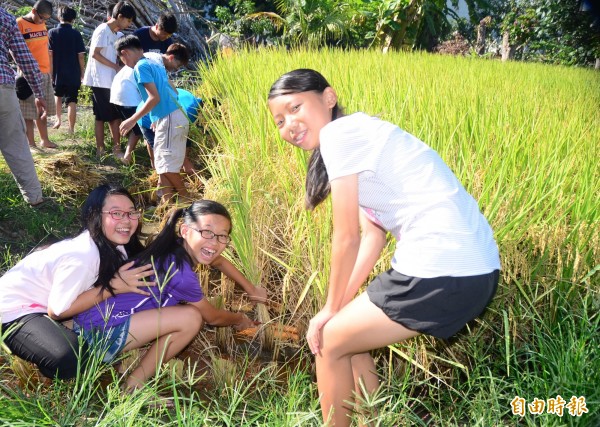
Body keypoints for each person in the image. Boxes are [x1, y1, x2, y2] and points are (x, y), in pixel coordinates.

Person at [267, 69, 501, 426]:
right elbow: (373, 235)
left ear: (328, 98)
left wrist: (328, 308)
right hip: (475, 269)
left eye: (295, 108)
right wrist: (339, 305)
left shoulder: (339, 135)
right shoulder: (359, 135)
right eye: (280, 121)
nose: (289, 126)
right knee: (346, 335)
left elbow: (346, 236)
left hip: (440, 266)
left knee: (328, 342)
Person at [74, 200, 265, 390]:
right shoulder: (180, 272)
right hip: (94, 339)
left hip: (87, 322)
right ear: (185, 231)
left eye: (222, 236)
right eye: (206, 232)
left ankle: (122, 365)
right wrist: (239, 319)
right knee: (190, 318)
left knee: (184, 311)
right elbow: (213, 318)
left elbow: (219, 261)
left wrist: (252, 290)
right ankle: (133, 388)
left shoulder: (172, 246)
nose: (214, 243)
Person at [0, 184, 154, 380]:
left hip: (45, 303)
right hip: (13, 309)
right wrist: (114, 286)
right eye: (116, 213)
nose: (126, 220)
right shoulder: (83, 256)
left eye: (131, 213)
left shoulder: (118, 246)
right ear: (95, 216)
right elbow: (58, 311)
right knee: (72, 359)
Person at [117, 35, 189, 203]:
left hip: (170, 117)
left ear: (124, 53)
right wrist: (155, 117)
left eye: (121, 58)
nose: (123, 62)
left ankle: (186, 198)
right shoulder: (154, 63)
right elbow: (172, 91)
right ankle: (167, 206)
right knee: (163, 165)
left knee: (165, 166)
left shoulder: (140, 67)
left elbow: (154, 98)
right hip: (172, 115)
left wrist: (132, 119)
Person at [0, 6, 47, 207]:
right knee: (17, 146)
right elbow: (26, 59)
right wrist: (39, 92)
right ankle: (34, 198)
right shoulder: (6, 18)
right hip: (3, 88)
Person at [82, 1, 136, 158]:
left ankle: (111, 149)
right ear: (119, 16)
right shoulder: (102, 30)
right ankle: (107, 149)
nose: (128, 24)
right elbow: (95, 54)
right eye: (128, 20)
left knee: (111, 116)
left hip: (111, 81)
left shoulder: (117, 34)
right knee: (105, 117)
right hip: (99, 80)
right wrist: (115, 66)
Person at [16, 0, 57, 149]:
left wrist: (50, 71)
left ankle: (44, 140)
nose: (43, 21)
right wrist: (23, 70)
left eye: (46, 19)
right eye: (42, 18)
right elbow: (13, 50)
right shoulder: (19, 23)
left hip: (44, 72)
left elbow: (45, 48)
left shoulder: (42, 23)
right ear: (33, 11)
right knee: (28, 111)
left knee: (42, 110)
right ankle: (31, 144)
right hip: (28, 73)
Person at [48, 5, 86, 134]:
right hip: (73, 71)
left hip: (57, 71)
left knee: (57, 96)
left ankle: (57, 119)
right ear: (73, 19)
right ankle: (71, 128)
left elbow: (50, 55)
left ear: (59, 17)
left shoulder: (52, 32)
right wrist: (82, 72)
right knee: (72, 100)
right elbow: (81, 56)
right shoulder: (76, 34)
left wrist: (51, 72)